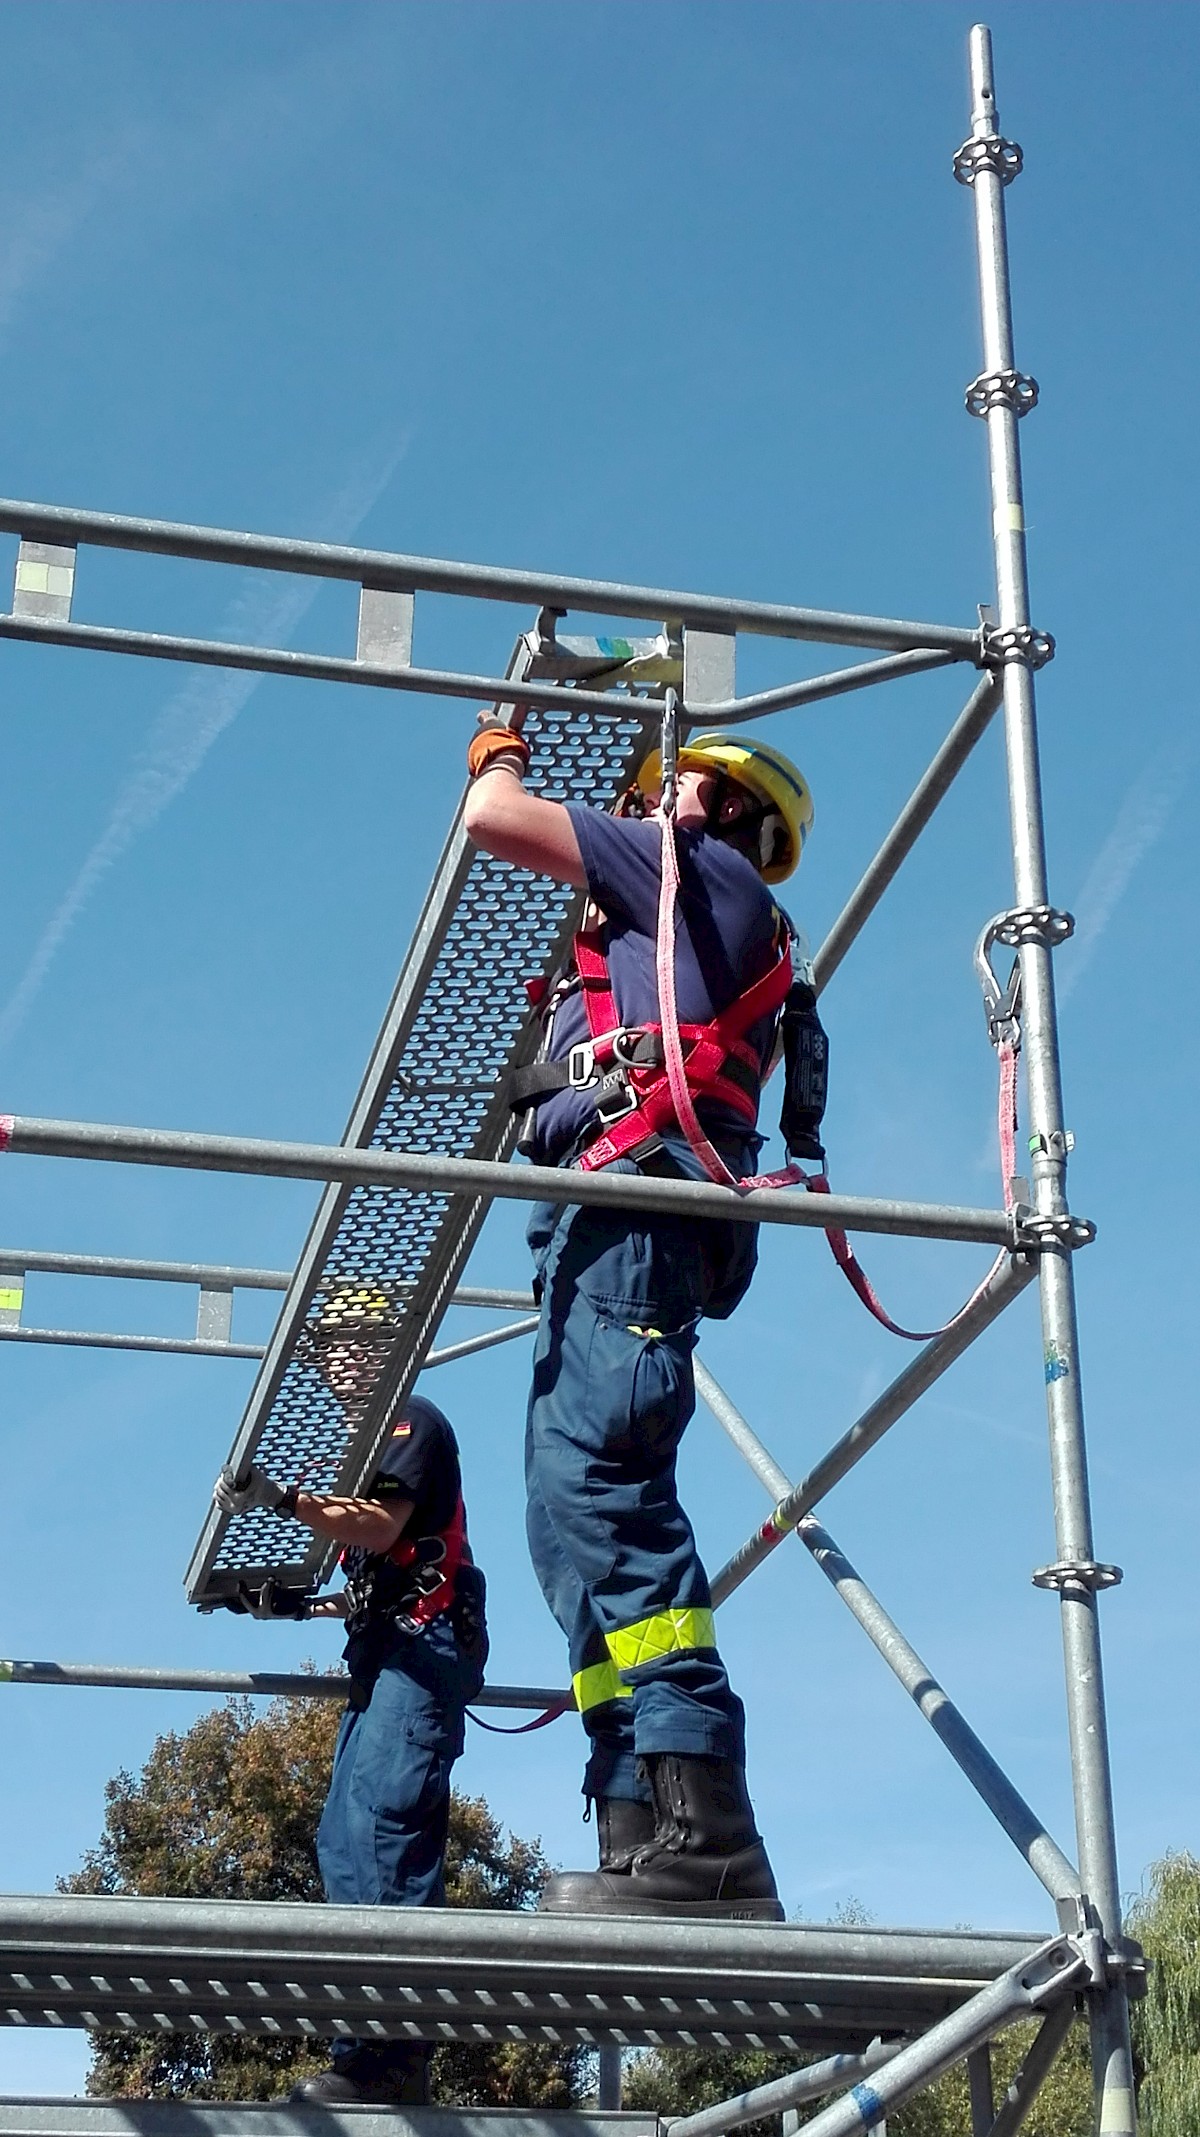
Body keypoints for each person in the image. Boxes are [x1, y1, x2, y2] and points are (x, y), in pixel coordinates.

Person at [463, 715, 815, 1919]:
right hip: (601, 1215)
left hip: (639, 1198)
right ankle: (638, 1822)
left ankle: (708, 1832)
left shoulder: (688, 866)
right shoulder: (657, 912)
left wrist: (500, 754)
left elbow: (496, 823)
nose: (649, 802)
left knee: (606, 1486)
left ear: (714, 805)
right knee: (568, 1525)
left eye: (671, 789)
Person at [212, 1306, 487, 2105]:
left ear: (391, 1349)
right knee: (343, 1839)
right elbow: (376, 1576)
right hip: (386, 1655)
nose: (345, 1363)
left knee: (387, 1827)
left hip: (422, 1653)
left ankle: (395, 2049)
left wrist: (281, 1497)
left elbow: (381, 1525)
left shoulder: (412, 1424)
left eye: (360, 1345)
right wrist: (292, 1606)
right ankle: (364, 2044)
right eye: (332, 1351)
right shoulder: (358, 1455)